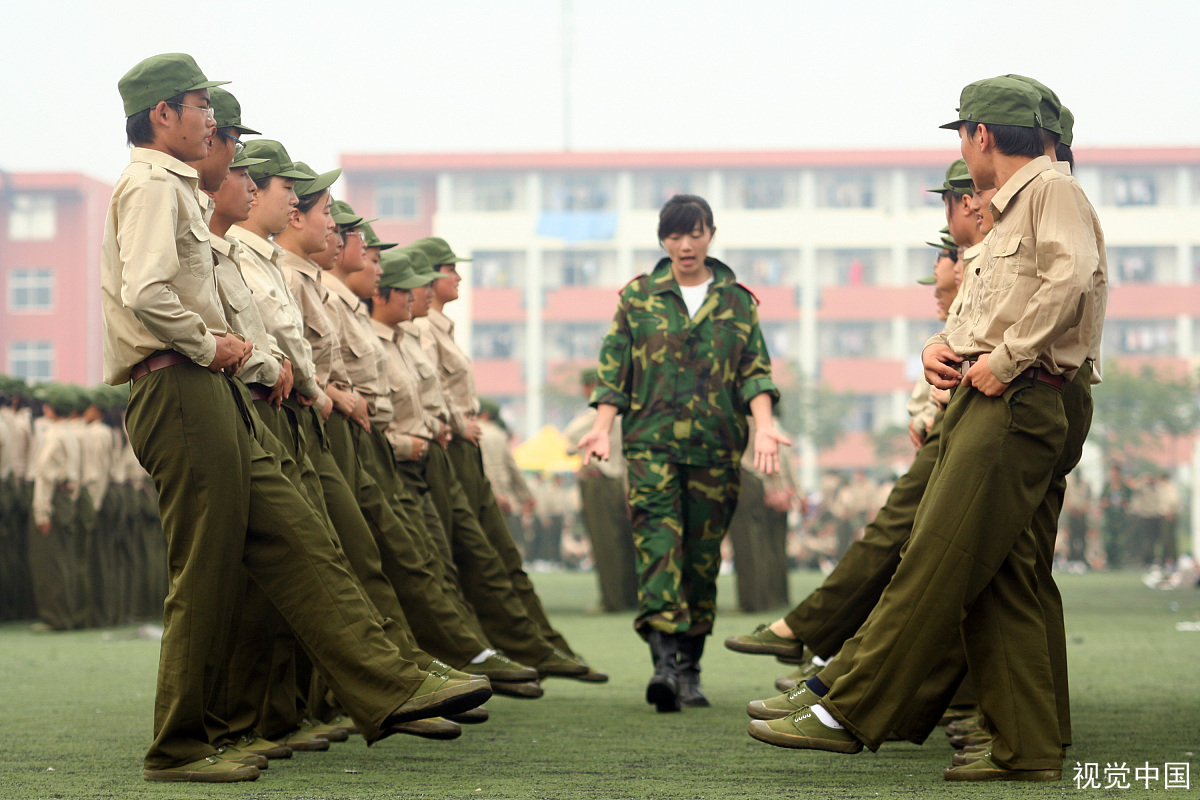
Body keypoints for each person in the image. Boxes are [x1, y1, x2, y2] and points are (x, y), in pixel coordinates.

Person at [104, 53, 489, 783]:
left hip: (210, 385)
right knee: (209, 576)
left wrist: (231, 354)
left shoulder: (175, 188)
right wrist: (215, 344)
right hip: (180, 382)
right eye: (201, 108)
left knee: (299, 539)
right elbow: (148, 293)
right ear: (163, 115)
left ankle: (389, 682)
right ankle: (181, 744)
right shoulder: (152, 184)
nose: (211, 125)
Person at [747, 76, 1104, 784]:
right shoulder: (1017, 207)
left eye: (964, 136)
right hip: (999, 392)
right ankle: (1023, 747)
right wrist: (944, 349)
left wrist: (1002, 358)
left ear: (982, 136)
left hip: (1017, 397)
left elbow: (1074, 278)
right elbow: (1008, 300)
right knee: (1004, 581)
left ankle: (844, 707)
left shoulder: (1048, 191)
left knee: (931, 562)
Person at [578, 194, 785, 712]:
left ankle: (691, 668)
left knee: (701, 559)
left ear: (711, 233)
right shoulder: (638, 299)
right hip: (651, 447)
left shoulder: (737, 301)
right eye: (674, 235)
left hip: (715, 450)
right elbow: (614, 371)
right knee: (657, 548)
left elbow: (754, 372)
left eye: (694, 233)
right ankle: (664, 667)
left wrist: (764, 425)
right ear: (662, 240)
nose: (685, 244)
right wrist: (603, 427)